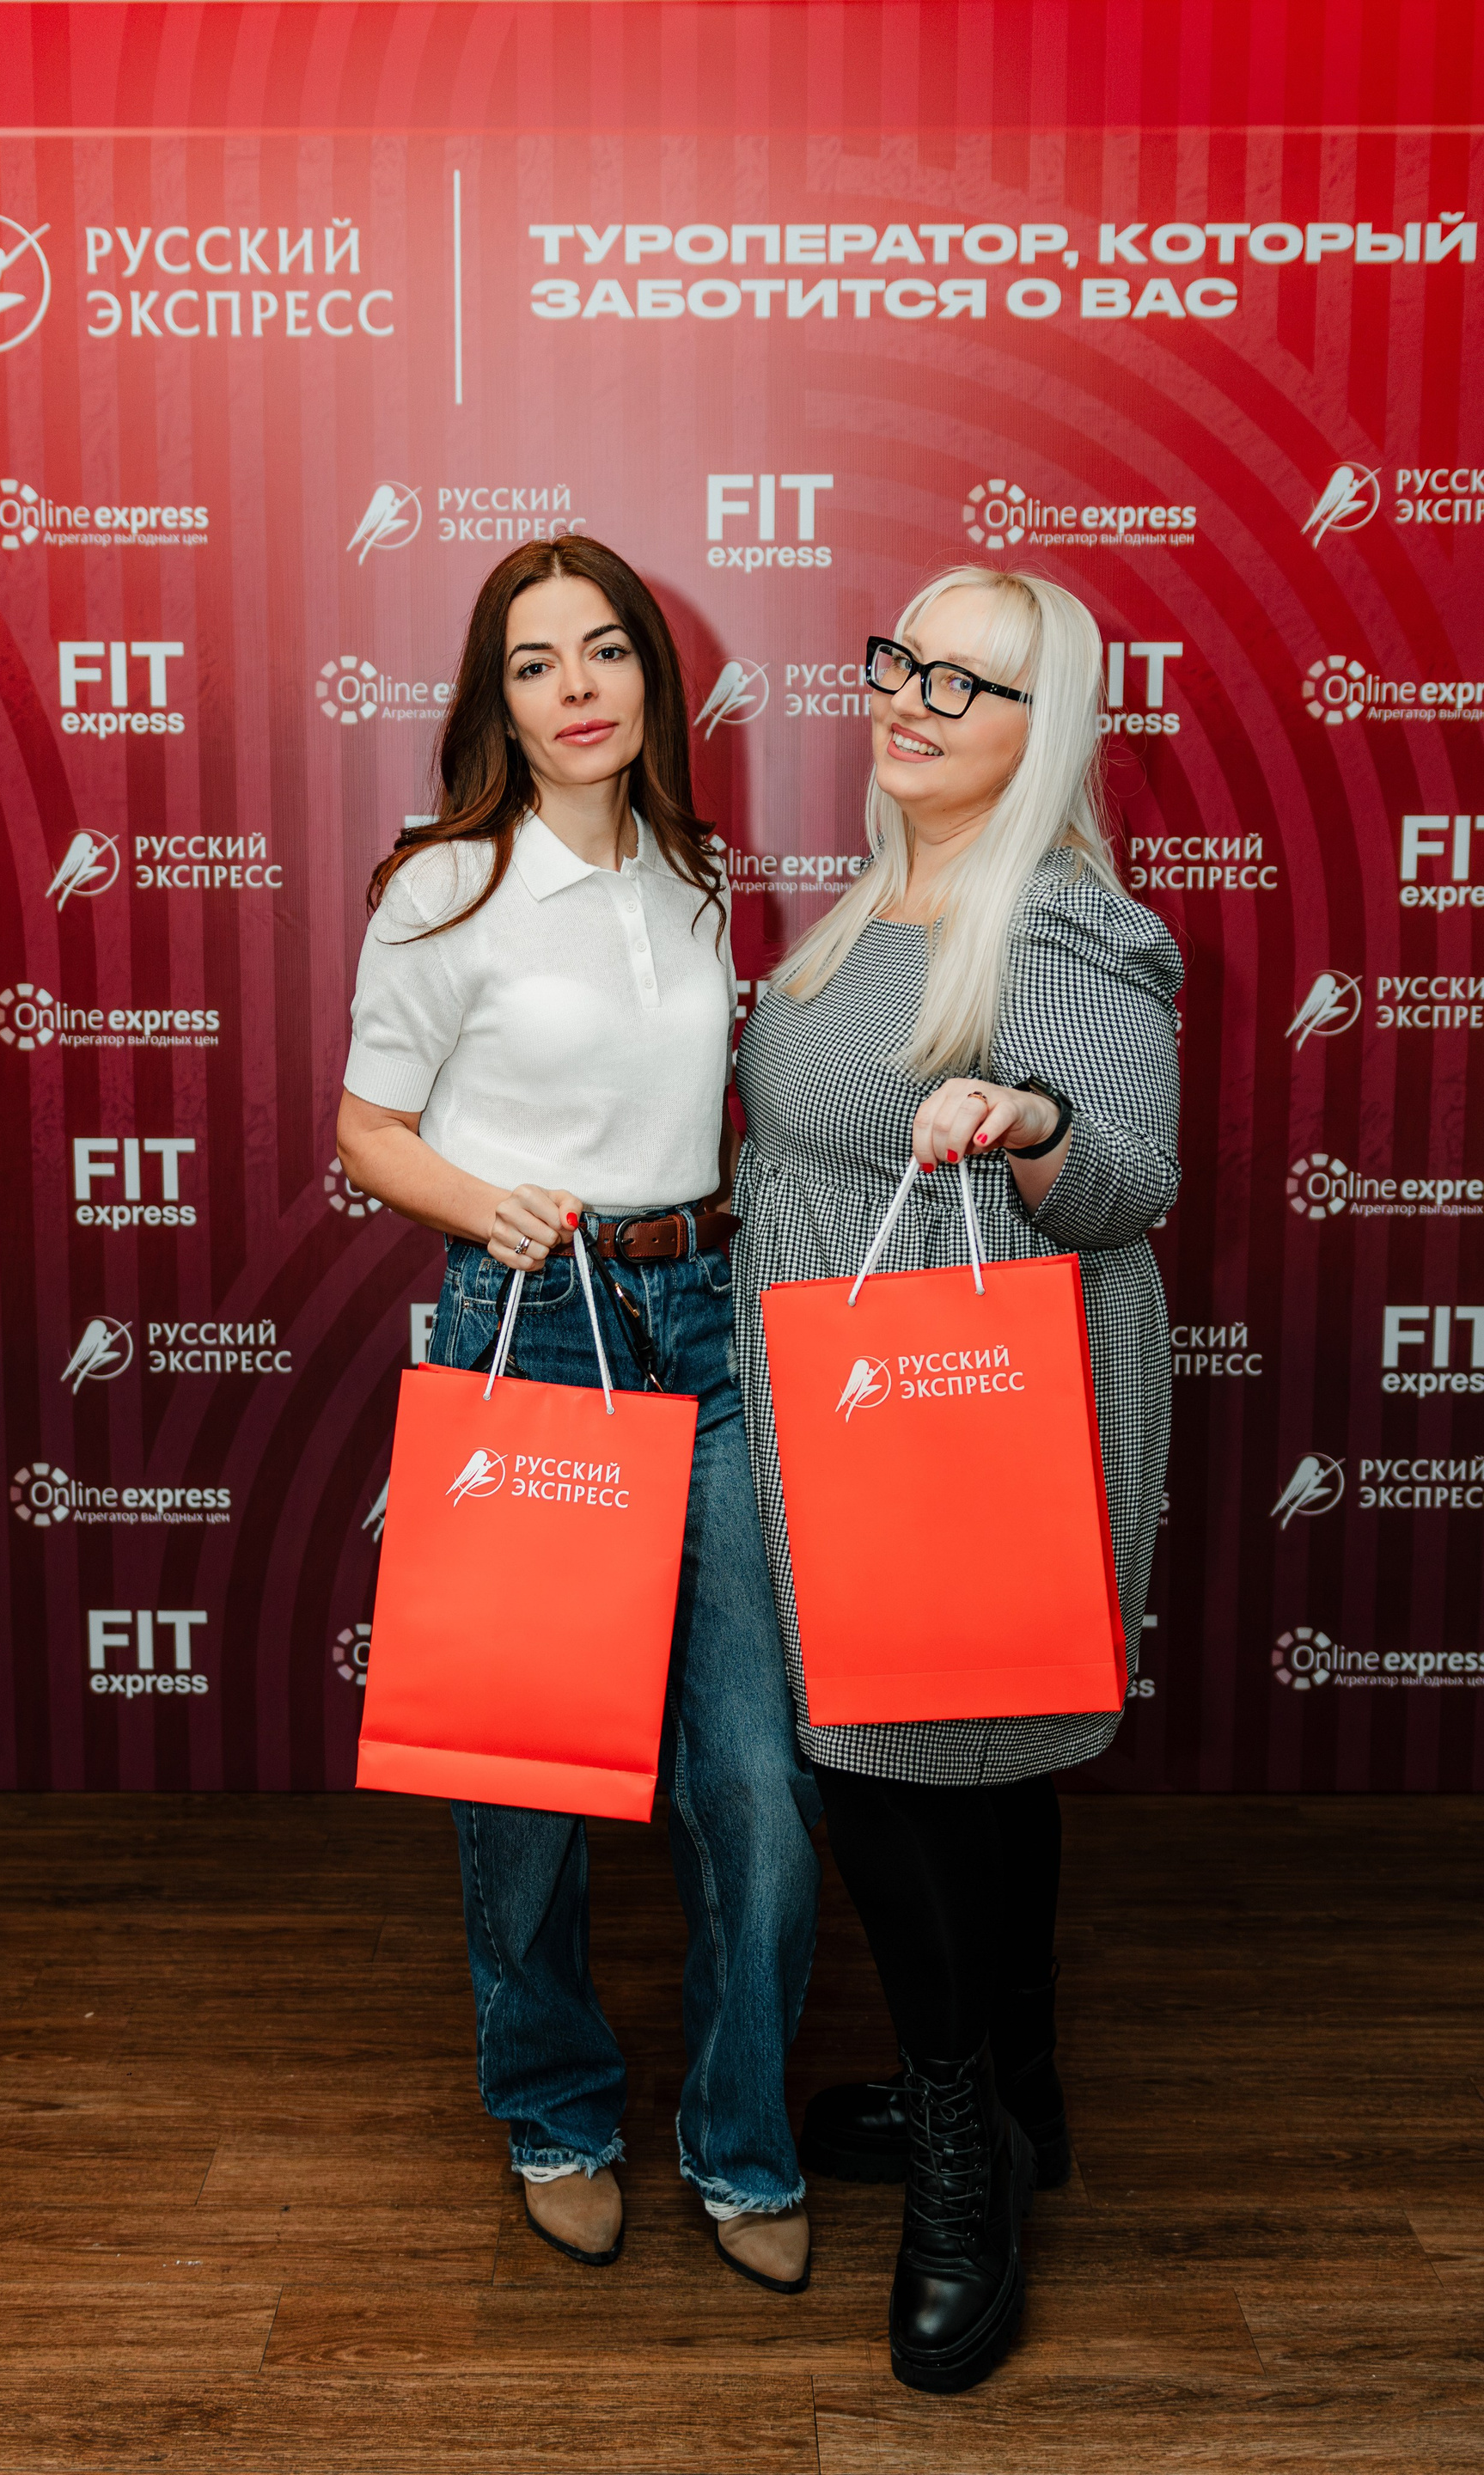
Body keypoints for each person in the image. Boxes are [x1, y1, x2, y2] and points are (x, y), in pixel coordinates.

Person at [336, 537, 821, 2295]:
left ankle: (742, 2138)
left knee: (758, 1783)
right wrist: (494, 1208)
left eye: (604, 650)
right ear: (498, 698)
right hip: (536, 1328)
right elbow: (366, 1131)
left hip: (706, 1325)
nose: (576, 688)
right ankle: (554, 2111)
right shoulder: (443, 887)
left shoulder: (694, 871)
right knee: (526, 1778)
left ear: (650, 678)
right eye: (535, 663)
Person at [730, 565, 1182, 2389]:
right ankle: (1021, 2088)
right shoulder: (878, 899)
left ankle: (960, 2153)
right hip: (845, 1394)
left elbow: (1132, 1176)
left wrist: (1030, 1118)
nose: (911, 700)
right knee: (963, 1764)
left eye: (967, 685)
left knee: (895, 1762)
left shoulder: (1061, 917)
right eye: (903, 662)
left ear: (1042, 726)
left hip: (967, 1403)